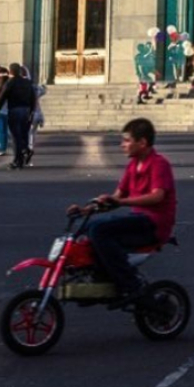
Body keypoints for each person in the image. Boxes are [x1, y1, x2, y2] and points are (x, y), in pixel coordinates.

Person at [71, 117, 177, 303]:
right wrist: (85, 210)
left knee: (100, 231)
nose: (122, 145)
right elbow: (117, 197)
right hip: (138, 219)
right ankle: (104, 277)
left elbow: (157, 196)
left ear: (142, 142)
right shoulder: (132, 165)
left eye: (127, 140)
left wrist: (122, 202)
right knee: (88, 228)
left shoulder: (159, 164)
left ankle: (129, 284)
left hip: (154, 223)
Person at [2, 63, 39, 168]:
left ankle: (18, 159)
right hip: (26, 111)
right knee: (23, 135)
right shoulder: (28, 82)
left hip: (15, 111)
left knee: (16, 137)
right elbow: (33, 98)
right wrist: (32, 111)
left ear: (10, 71)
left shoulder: (10, 82)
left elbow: (2, 97)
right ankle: (23, 153)